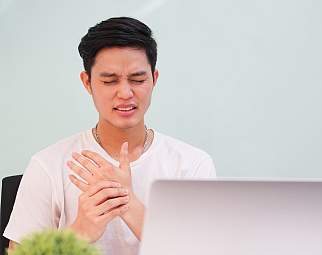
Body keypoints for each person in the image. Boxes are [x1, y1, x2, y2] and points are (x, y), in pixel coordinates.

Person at [4, 17, 216, 255]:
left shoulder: (192, 165)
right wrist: (80, 231)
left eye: (138, 79)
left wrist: (129, 205)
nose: (125, 93)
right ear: (87, 82)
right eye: (109, 81)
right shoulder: (48, 165)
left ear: (154, 79)